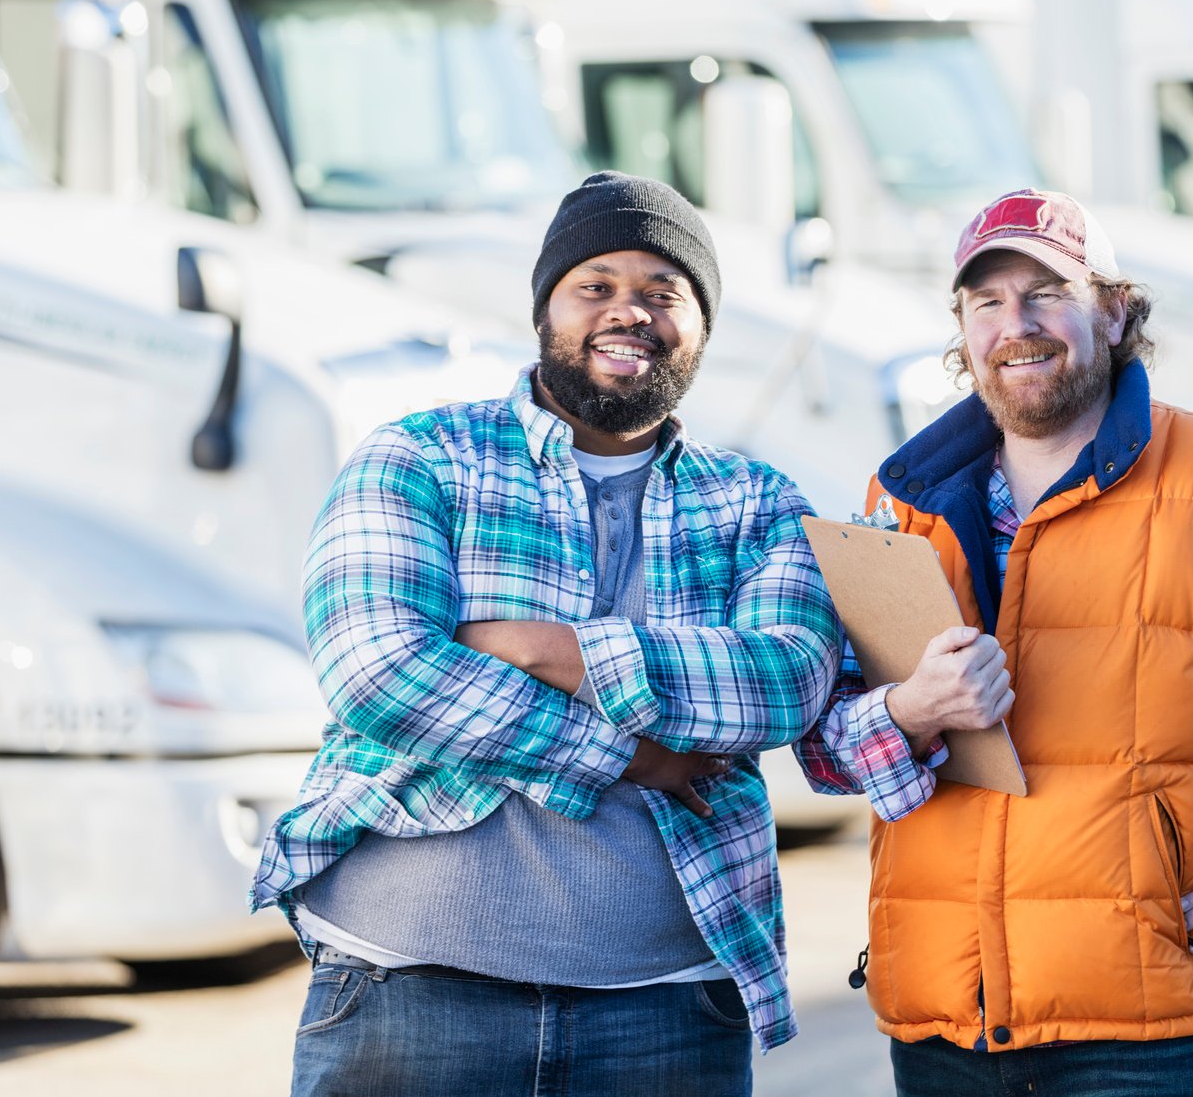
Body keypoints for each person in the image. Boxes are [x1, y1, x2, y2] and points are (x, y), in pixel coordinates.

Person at [797, 188, 1193, 1096]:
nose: (1014, 325)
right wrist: (908, 712)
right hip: (947, 1022)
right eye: (986, 302)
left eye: (1044, 292)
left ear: (1113, 308)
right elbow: (823, 749)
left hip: (1144, 1034)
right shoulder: (900, 502)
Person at [252, 172, 839, 1096]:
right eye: (595, 286)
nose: (627, 312)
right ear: (545, 311)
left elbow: (784, 683)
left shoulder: (757, 503)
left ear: (701, 326)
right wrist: (635, 754)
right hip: (409, 992)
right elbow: (380, 673)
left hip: (667, 1012)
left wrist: (537, 647)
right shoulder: (420, 456)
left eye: (661, 292)